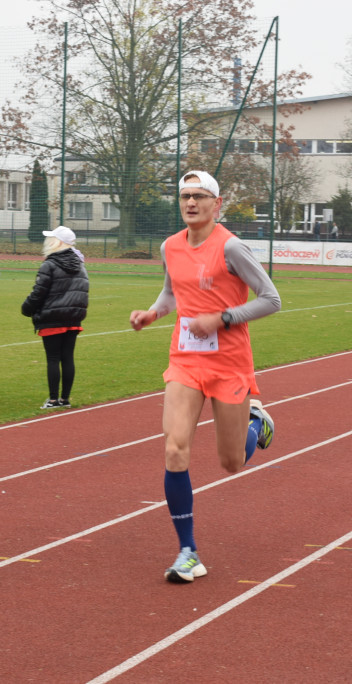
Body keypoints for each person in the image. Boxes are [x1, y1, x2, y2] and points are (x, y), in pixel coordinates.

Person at [129, 170, 281, 584]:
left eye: (199, 196)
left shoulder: (232, 247)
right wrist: (151, 313)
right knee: (175, 450)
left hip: (229, 363)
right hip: (185, 360)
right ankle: (188, 551)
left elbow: (271, 299)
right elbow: (171, 292)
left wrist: (223, 318)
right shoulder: (170, 246)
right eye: (184, 197)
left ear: (216, 204)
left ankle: (256, 424)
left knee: (231, 463)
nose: (190, 203)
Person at [21, 226, 89, 408]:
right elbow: (83, 292)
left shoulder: (49, 264)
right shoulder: (79, 264)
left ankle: (53, 399)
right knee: (67, 357)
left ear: (56, 242)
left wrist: (26, 309)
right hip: (73, 318)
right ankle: (65, 399)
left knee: (53, 358)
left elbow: (38, 292)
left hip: (52, 317)